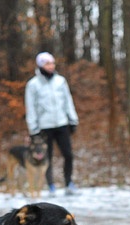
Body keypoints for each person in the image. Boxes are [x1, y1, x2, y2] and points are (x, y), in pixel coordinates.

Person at [25, 52, 79, 195]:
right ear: (41, 65)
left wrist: (73, 119)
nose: (51, 66)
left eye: (52, 63)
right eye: (48, 64)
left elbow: (68, 101)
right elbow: (30, 107)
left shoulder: (60, 81)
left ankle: (68, 183)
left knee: (68, 154)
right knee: (46, 157)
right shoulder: (33, 85)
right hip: (44, 126)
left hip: (62, 123)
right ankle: (51, 186)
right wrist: (33, 129)